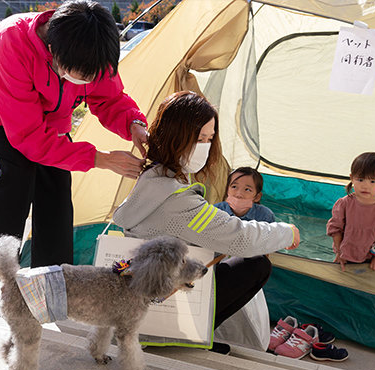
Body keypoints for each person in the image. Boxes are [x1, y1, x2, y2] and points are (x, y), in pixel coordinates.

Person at [0, 0, 149, 315]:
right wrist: (100, 159)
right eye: (80, 75)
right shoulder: (12, 44)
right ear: (54, 52)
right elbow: (29, 138)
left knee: (57, 185)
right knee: (18, 179)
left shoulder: (93, 48)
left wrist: (134, 125)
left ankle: (55, 282)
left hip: (51, 108)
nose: (87, 82)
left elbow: (110, 97)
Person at [112, 91, 300, 353]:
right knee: (255, 265)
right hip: (159, 301)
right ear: (175, 136)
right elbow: (240, 238)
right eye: (199, 139)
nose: (206, 146)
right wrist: (287, 232)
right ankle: (186, 335)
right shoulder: (177, 199)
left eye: (209, 139)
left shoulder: (154, 176)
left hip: (139, 291)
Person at [326, 152, 375, 272]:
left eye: (373, 182)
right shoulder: (344, 204)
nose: (365, 186)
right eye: (360, 179)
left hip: (372, 259)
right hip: (346, 257)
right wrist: (339, 252)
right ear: (352, 178)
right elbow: (335, 229)